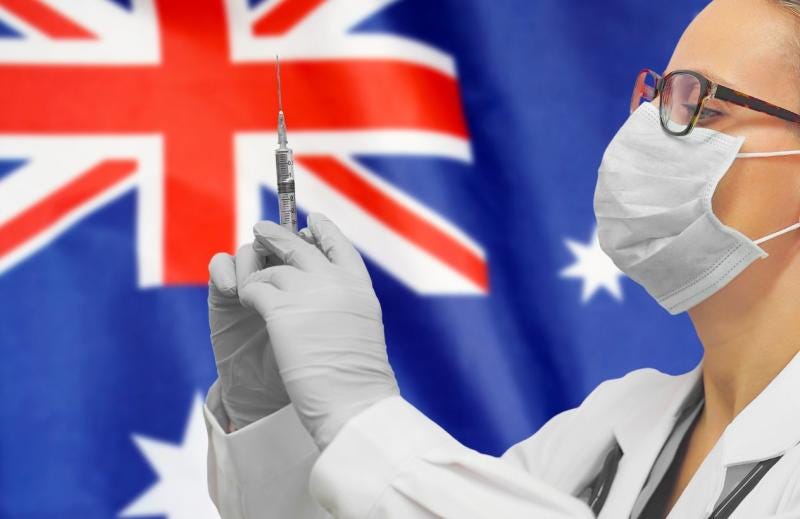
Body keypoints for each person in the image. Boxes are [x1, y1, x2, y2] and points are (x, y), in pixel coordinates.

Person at [202, 0, 800, 516]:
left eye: (703, 107)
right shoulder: (612, 428)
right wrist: (278, 421)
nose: (651, 131)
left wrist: (361, 412)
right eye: (660, 98)